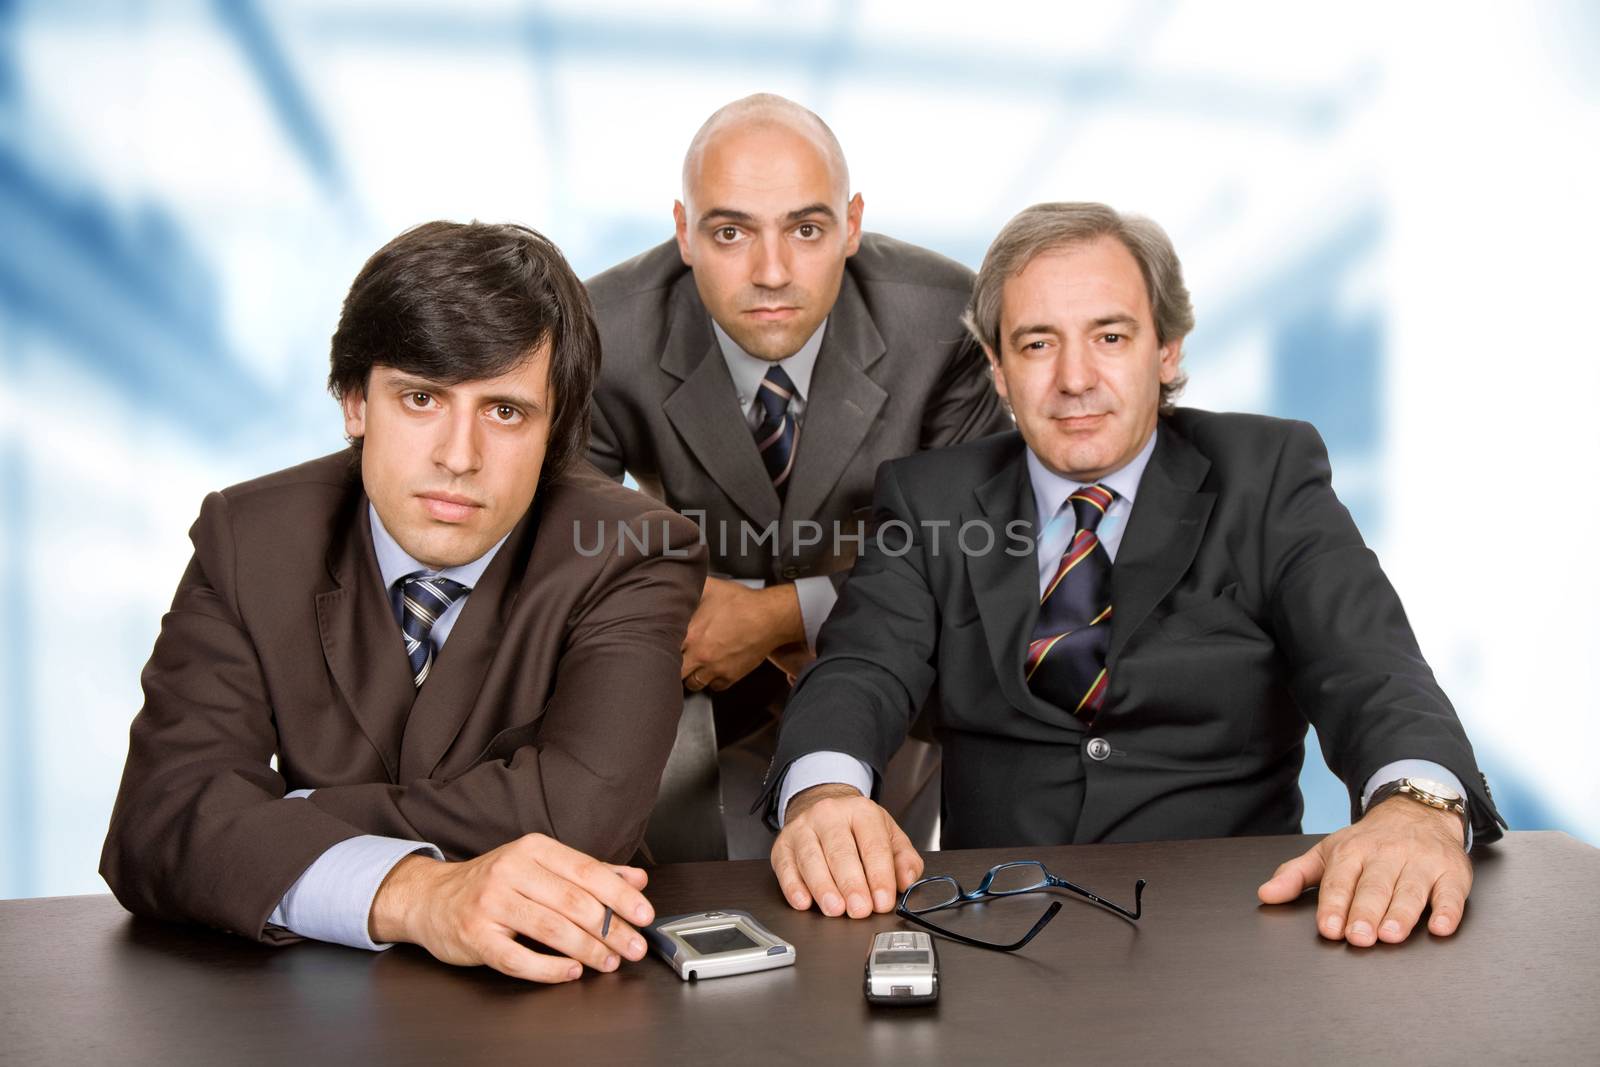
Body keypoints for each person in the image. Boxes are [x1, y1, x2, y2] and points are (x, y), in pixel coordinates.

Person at [764, 202, 1505, 947]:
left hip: (1236, 931)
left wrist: (1414, 805)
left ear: (1167, 351)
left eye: (1110, 336)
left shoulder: (1267, 475)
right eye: (1036, 343)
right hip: (998, 931)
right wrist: (824, 792)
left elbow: (1370, 665)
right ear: (997, 367)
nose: (1075, 378)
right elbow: (862, 664)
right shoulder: (929, 498)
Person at [100, 221, 707, 983]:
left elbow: (582, 818)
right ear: (356, 403)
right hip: (296, 999)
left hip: (561, 988)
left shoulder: (631, 548)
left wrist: (279, 817)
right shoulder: (248, 537)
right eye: (421, 398)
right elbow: (157, 821)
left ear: (556, 433)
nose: (459, 456)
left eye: (506, 411)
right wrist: (413, 891)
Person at [586, 94, 1011, 859]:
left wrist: (785, 614)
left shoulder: (947, 316)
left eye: (806, 229)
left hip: (898, 654)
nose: (771, 272)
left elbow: (974, 560)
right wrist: (686, 607)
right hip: (698, 665)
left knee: (873, 897)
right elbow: (562, 554)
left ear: (851, 225)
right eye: (730, 232)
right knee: (691, 901)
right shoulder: (603, 330)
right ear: (684, 232)